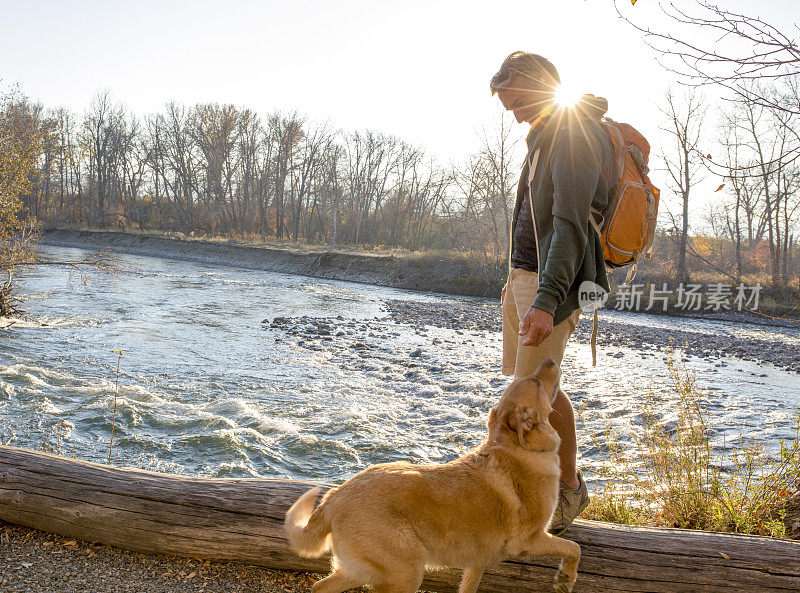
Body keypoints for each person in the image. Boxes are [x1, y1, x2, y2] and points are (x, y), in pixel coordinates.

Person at [490, 51, 616, 535]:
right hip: (526, 278)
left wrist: (546, 298)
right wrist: (517, 281)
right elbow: (535, 219)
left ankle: (556, 496)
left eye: (517, 100)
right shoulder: (544, 135)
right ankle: (567, 488)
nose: (513, 112)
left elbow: (568, 227)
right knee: (542, 391)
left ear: (540, 85)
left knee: (523, 401)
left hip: (552, 284)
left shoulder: (571, 135)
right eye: (508, 105)